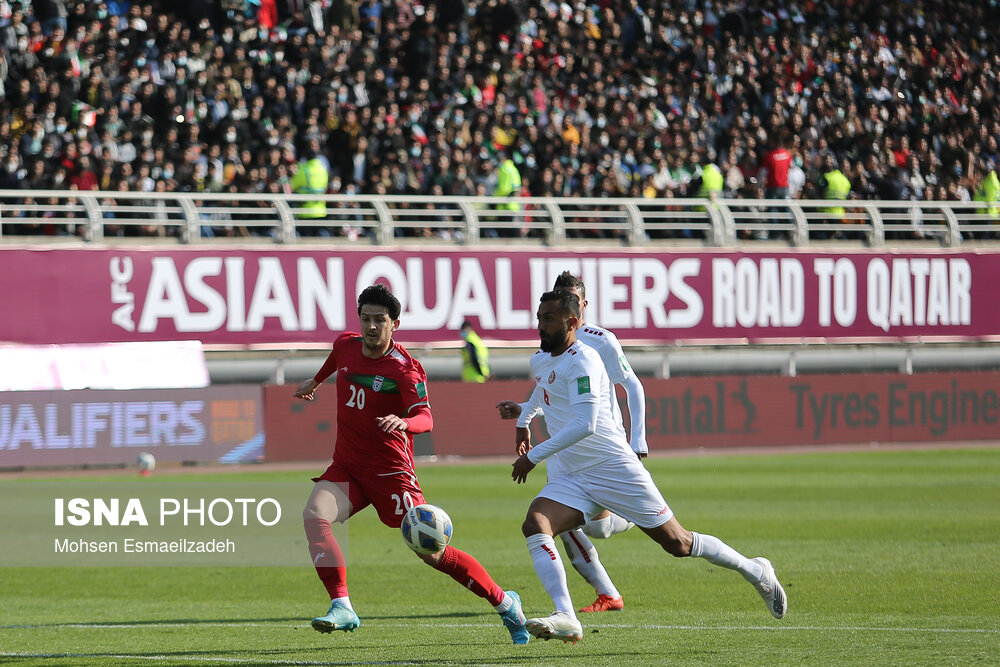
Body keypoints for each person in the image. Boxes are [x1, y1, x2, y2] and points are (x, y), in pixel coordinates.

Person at [506, 290, 786, 643]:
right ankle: (566, 614)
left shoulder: (585, 361)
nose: (540, 326)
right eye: (539, 317)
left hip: (612, 467)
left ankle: (755, 569)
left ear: (572, 323)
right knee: (536, 523)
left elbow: (585, 424)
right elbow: (543, 389)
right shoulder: (541, 359)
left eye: (549, 319)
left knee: (679, 544)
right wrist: (524, 418)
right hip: (574, 476)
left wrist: (534, 456)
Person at [293, 285, 529, 644]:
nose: (371, 326)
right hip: (349, 466)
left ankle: (505, 603)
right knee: (314, 515)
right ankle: (342, 605)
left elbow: (425, 417)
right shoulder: (346, 344)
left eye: (380, 320)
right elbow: (336, 360)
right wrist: (316, 380)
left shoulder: (405, 369)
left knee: (433, 555)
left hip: (392, 473)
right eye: (366, 319)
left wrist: (405, 422)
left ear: (395, 323)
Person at [498, 271, 646, 614]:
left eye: (571, 299)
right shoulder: (550, 340)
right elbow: (548, 389)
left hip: (597, 442)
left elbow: (632, 385)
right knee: (555, 522)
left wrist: (638, 441)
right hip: (562, 445)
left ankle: (635, 512)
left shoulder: (600, 341)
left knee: (600, 529)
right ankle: (607, 593)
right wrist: (523, 413)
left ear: (582, 305)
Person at [290, 144, 330, 235]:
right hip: (320, 210)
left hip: (305, 211)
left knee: (307, 243)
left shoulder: (302, 169)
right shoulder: (323, 169)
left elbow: (293, 185)